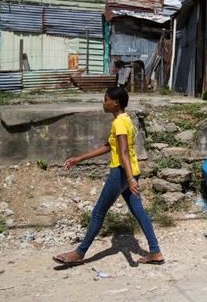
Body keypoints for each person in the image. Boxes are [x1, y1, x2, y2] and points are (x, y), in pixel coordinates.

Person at [53, 87, 164, 266]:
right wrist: (80, 158)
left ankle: (79, 253)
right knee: (139, 211)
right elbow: (109, 146)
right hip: (132, 171)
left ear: (116, 103)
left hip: (121, 172)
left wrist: (128, 179)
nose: (103, 103)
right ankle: (155, 251)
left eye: (106, 100)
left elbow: (123, 152)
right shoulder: (126, 119)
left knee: (98, 212)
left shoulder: (119, 123)